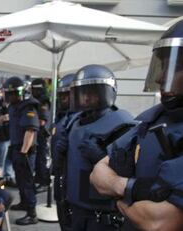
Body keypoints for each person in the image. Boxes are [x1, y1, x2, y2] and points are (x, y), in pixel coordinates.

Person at [90, 19, 183, 230]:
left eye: (173, 67)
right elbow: (98, 173)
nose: (160, 77)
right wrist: (133, 189)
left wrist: (118, 194)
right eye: (162, 66)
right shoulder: (155, 117)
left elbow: (157, 221)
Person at [56, 65, 134, 231]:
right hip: (73, 208)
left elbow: (129, 177)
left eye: (92, 93)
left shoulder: (121, 124)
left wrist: (101, 157)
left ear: (106, 92)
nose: (86, 98)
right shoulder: (73, 122)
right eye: (83, 93)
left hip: (101, 215)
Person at [4, 76, 40, 225]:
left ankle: (32, 214)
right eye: (9, 93)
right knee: (20, 179)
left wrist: (23, 152)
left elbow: (30, 131)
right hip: (16, 148)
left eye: (13, 93)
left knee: (27, 181)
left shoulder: (28, 107)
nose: (10, 96)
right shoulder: (14, 106)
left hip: (25, 150)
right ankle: (24, 203)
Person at [50, 73, 76, 231]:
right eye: (61, 95)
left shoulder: (81, 120)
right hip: (60, 177)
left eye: (67, 95)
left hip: (73, 180)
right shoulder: (62, 117)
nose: (63, 98)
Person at [30, 78, 52, 192]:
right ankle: (38, 179)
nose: (32, 91)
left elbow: (42, 120)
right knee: (38, 157)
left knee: (42, 158)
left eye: (34, 89)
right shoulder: (36, 100)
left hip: (42, 133)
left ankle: (44, 182)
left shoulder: (43, 101)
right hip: (38, 133)